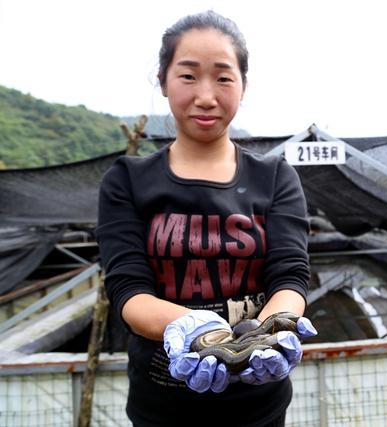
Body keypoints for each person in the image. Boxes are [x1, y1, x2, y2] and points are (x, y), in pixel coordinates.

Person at [96, 10, 316, 427]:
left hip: (259, 406)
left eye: (223, 77)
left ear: (243, 85)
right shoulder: (127, 180)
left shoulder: (274, 177)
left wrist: (270, 332)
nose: (206, 96)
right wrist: (190, 328)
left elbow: (290, 276)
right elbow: (127, 290)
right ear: (162, 81)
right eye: (189, 75)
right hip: (161, 408)